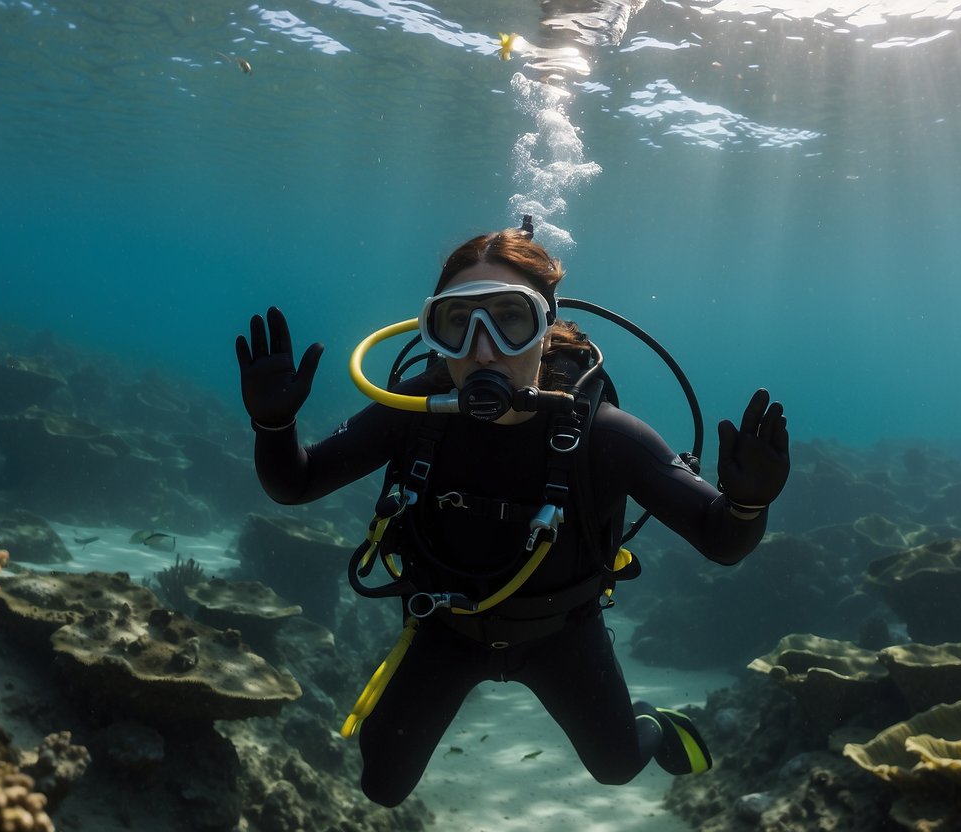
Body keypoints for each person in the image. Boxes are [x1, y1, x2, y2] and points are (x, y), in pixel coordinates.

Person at [235, 224, 790, 807]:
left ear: (546, 327)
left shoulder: (605, 435)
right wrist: (273, 426)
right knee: (381, 787)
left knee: (618, 766)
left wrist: (748, 502)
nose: (482, 348)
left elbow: (720, 540)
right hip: (444, 630)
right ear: (434, 332)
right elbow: (295, 484)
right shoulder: (412, 414)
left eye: (510, 320)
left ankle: (653, 722)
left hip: (562, 635)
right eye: (458, 323)